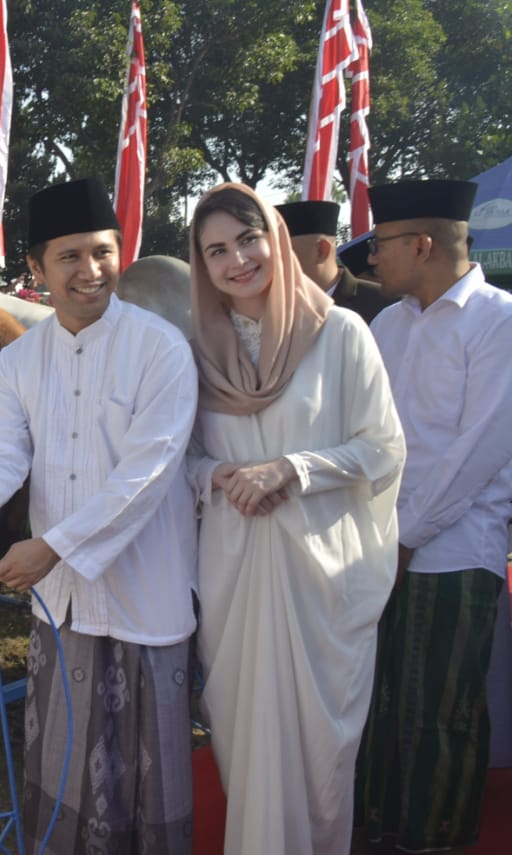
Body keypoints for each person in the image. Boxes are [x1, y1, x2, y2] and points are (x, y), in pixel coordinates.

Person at [0, 176, 199, 854]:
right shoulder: (21, 358)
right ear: (36, 267)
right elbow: (4, 452)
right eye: (70, 256)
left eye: (102, 252)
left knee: (147, 784)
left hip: (145, 592)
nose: (90, 271)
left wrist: (51, 546)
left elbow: (146, 475)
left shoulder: (161, 349)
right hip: (61, 603)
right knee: (66, 772)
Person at [186, 184, 404, 855]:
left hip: (321, 578)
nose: (237, 260)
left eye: (247, 239)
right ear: (201, 263)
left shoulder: (340, 334)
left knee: (318, 753)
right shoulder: (193, 349)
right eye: (216, 250)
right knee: (244, 738)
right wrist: (216, 475)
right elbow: (180, 457)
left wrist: (292, 468)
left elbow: (383, 445)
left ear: (275, 238)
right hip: (234, 574)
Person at [355, 179, 512, 855]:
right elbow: (372, 437)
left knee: (438, 709)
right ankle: (380, 832)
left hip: (455, 551)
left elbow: (475, 454)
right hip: (382, 548)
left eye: (382, 244)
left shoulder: (497, 320)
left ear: (422, 245)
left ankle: (435, 839)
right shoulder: (388, 325)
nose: (370, 259)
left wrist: (406, 537)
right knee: (381, 704)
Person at [275, 200, 393, 322]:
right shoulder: (273, 309)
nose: (275, 265)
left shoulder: (383, 306)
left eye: (282, 254)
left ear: (321, 251)